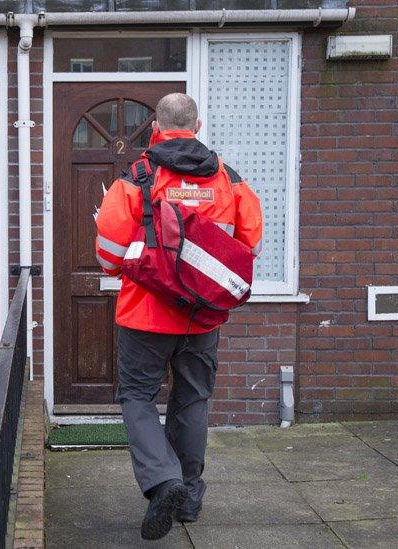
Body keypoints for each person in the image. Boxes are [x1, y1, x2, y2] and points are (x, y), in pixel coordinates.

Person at [94, 93, 263, 541]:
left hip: (145, 314)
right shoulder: (231, 180)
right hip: (202, 317)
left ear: (155, 127)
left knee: (137, 398)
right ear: (198, 124)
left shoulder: (136, 179)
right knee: (191, 401)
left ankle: (162, 481)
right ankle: (187, 495)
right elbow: (249, 247)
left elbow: (109, 255)